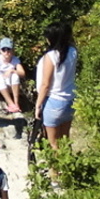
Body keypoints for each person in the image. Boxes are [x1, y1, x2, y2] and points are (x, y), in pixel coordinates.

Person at [34, 21, 79, 149]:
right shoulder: (72, 52)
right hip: (70, 100)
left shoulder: (51, 56)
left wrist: (38, 105)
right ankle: (69, 168)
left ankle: (55, 170)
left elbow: (45, 85)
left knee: (53, 144)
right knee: (65, 140)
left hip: (54, 102)